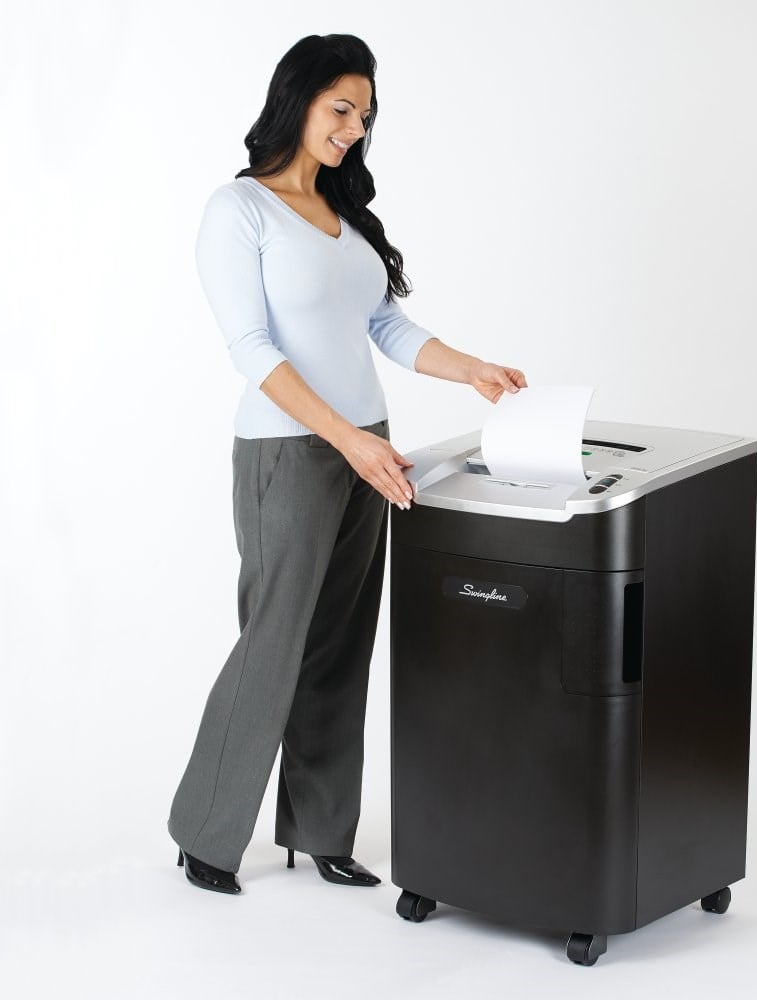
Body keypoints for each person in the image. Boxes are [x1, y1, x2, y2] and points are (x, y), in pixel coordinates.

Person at [168, 33, 526, 895]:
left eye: (364, 117)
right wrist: (346, 437)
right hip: (292, 450)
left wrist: (469, 366)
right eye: (341, 110)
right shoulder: (238, 209)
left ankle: (323, 830)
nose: (354, 130)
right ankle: (206, 832)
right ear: (297, 100)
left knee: (340, 644)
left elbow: (387, 327)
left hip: (369, 450)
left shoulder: (345, 217)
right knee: (274, 642)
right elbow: (251, 349)